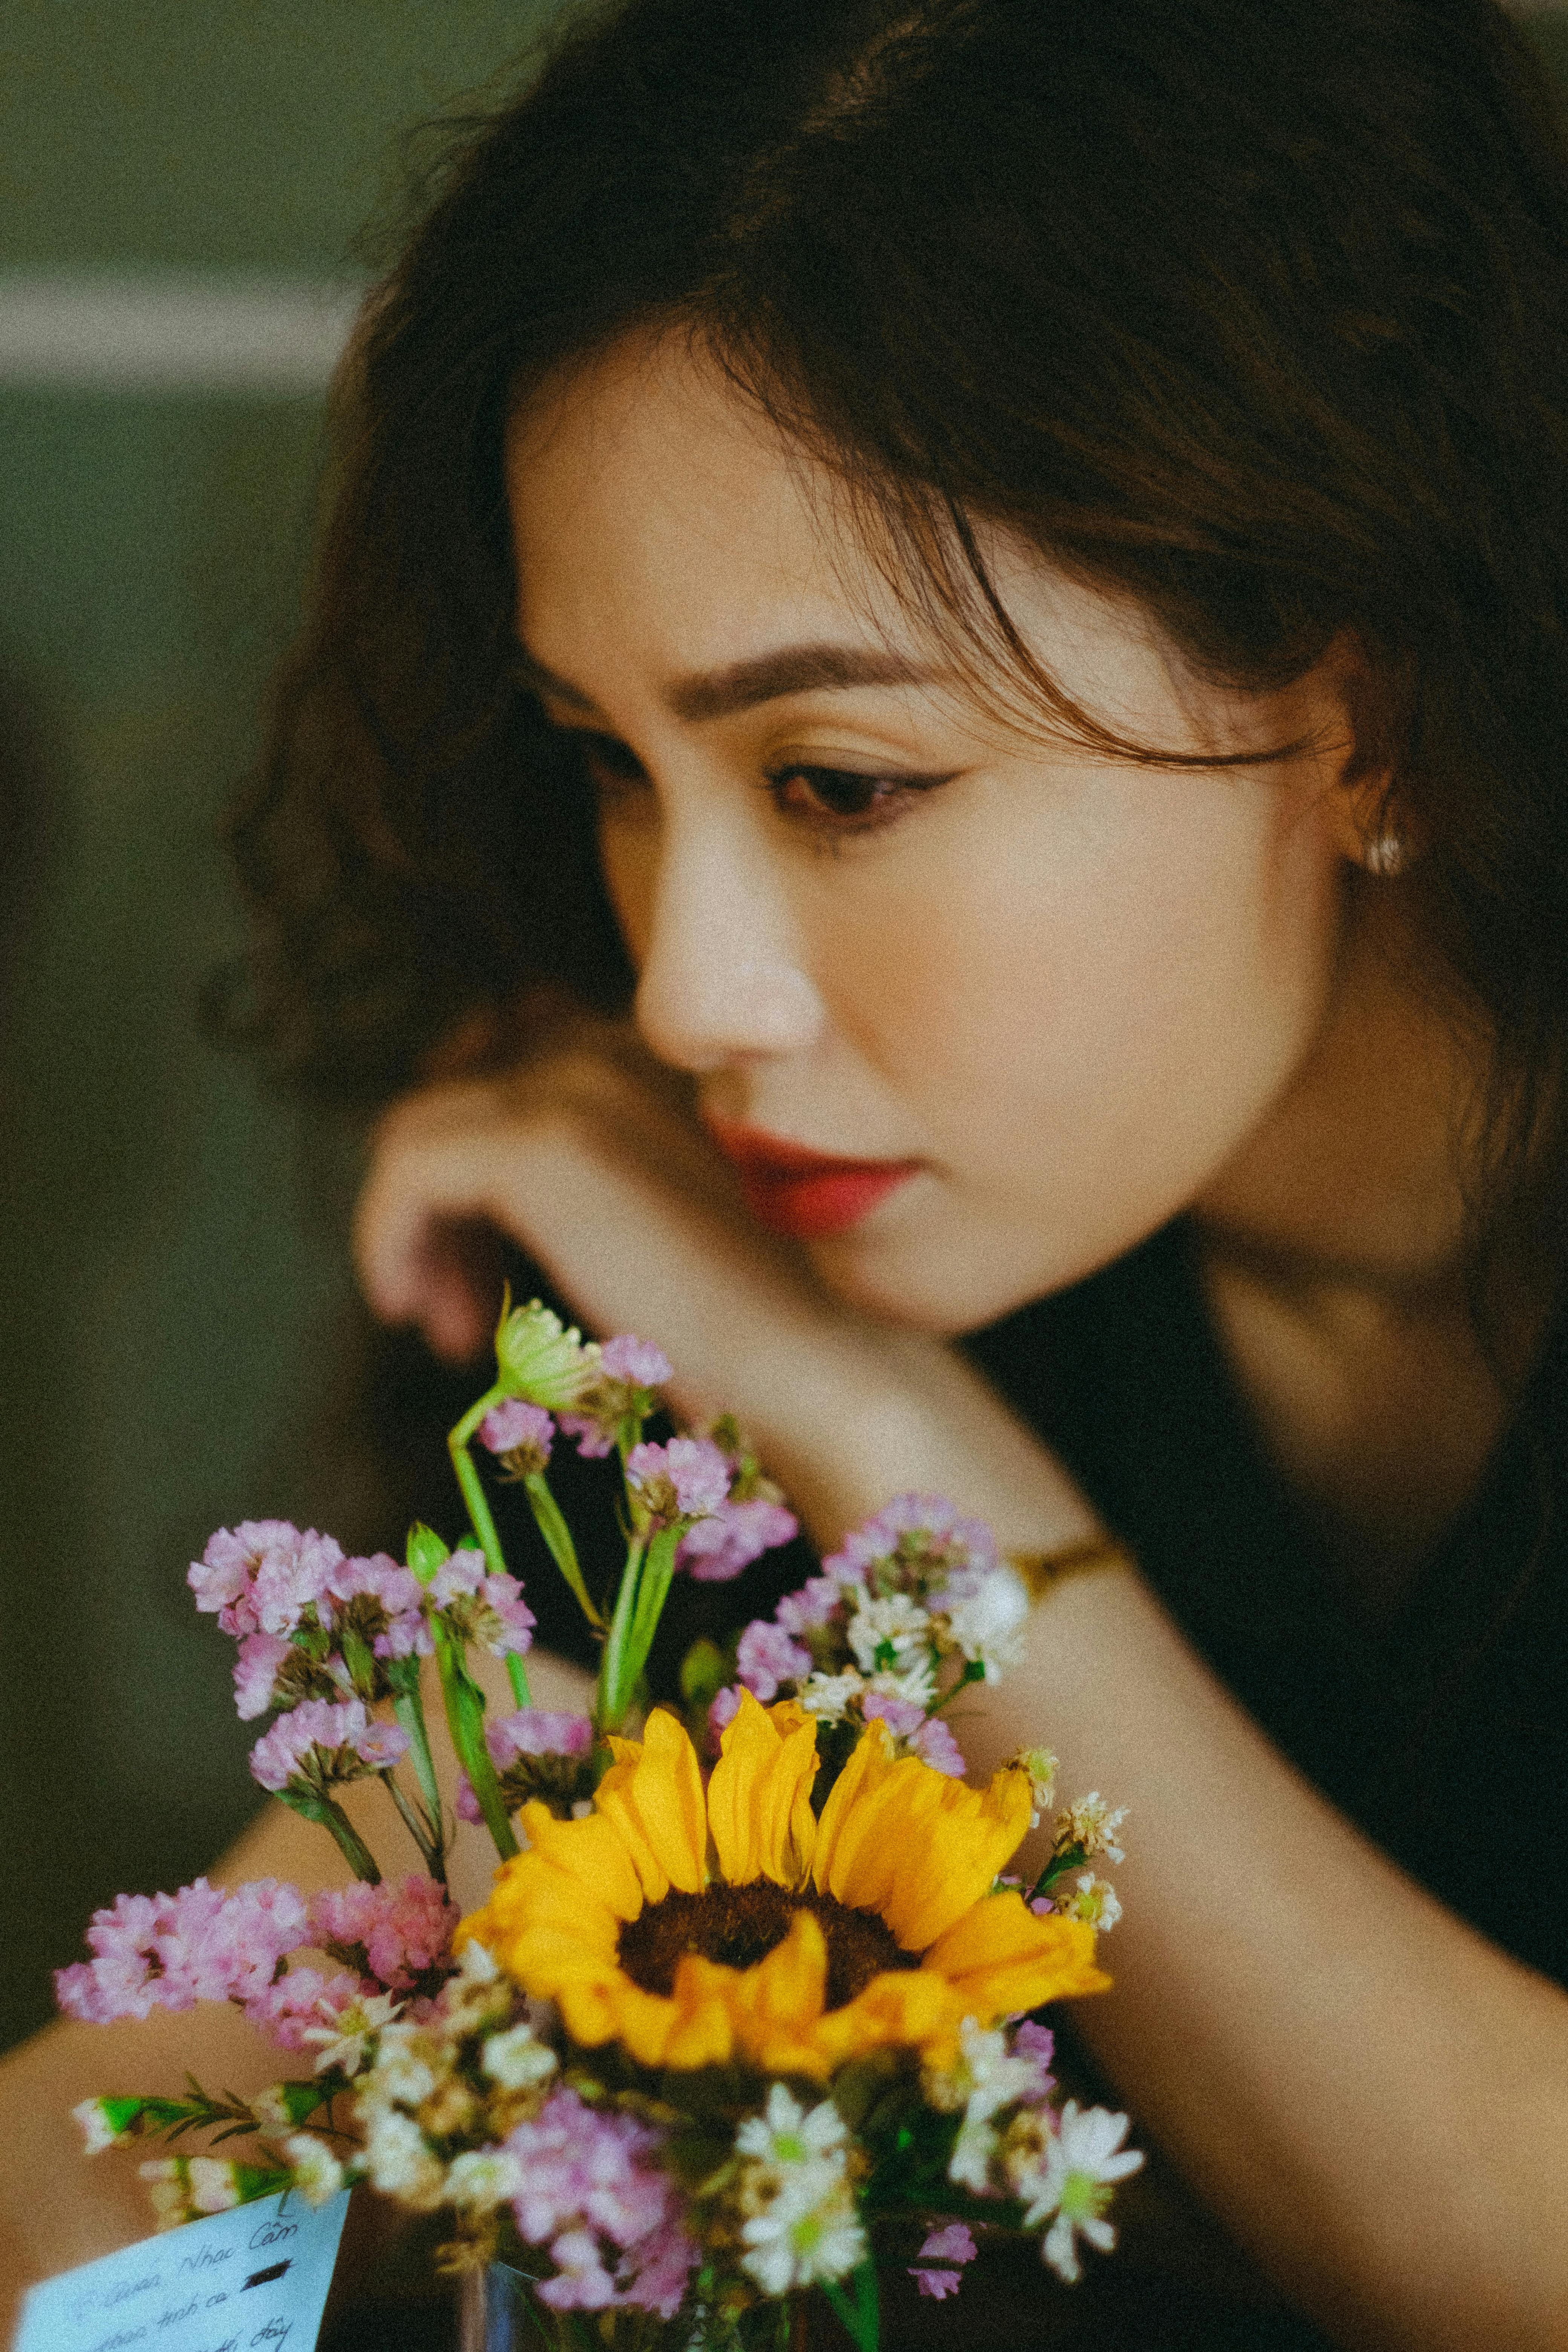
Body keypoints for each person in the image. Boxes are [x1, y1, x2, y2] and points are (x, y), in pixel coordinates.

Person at [5, 0, 1568, 2344]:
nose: (689, 995)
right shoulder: (687, 1223)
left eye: (839, 783)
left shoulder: (794, 1289)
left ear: (1367, 708)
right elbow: (148, 2147)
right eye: (612, 765)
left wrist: (894, 1445)